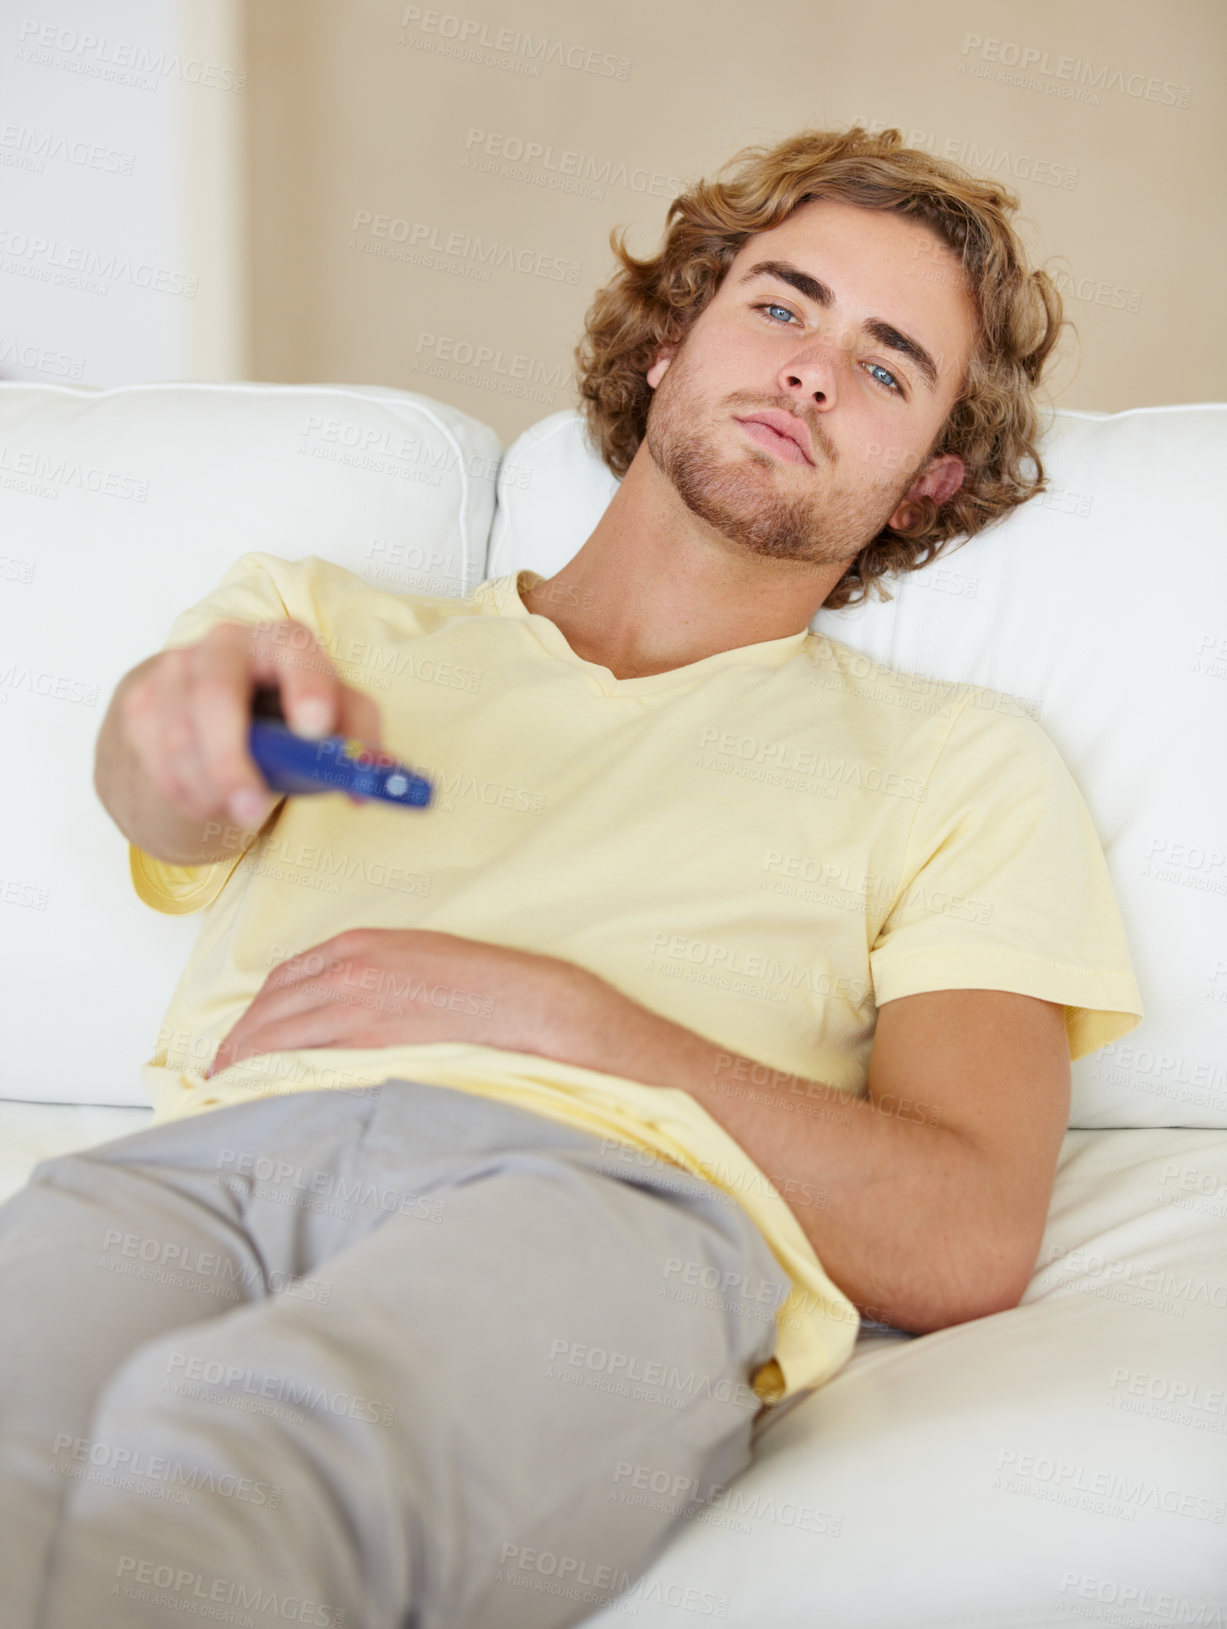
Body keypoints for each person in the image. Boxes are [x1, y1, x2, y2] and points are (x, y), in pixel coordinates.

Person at [0, 124, 1143, 1629]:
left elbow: (968, 1229)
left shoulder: (964, 764)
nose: (812, 368)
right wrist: (174, 733)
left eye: (886, 365)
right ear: (670, 344)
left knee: (242, 1468)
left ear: (928, 482)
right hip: (208, 1168)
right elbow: (165, 786)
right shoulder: (319, 627)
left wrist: (574, 1021)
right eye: (783, 304)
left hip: (608, 1206)